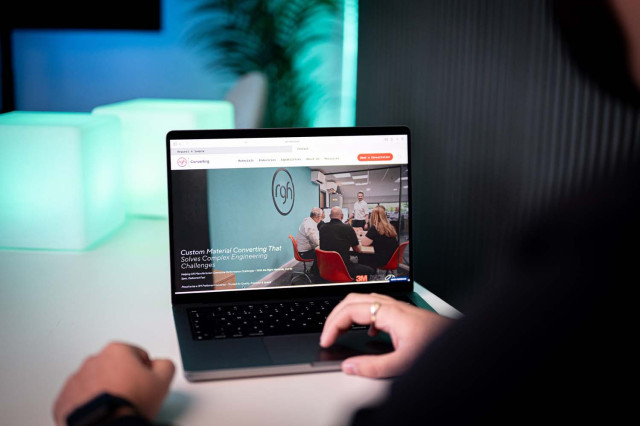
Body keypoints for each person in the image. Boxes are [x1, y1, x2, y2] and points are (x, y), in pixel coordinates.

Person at [52, 0, 640, 424]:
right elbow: (364, 256)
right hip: (357, 279)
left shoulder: (595, 240)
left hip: (333, 276)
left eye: (355, 205)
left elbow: (321, 251)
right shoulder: (357, 235)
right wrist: (458, 340)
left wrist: (107, 414)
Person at [319, 206, 375, 280]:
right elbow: (358, 249)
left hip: (326, 268)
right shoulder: (347, 228)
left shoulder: (322, 228)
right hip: (344, 268)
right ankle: (358, 281)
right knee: (370, 270)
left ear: (330, 216)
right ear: (342, 216)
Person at [358, 206, 400, 270]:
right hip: (392, 258)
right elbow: (375, 236)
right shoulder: (389, 226)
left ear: (373, 216)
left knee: (361, 255)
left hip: (382, 260)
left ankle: (368, 272)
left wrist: (357, 237)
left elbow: (364, 243)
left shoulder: (376, 228)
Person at [295, 207, 323, 276]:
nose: (321, 219)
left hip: (305, 250)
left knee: (320, 251)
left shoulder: (309, 221)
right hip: (304, 253)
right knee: (323, 254)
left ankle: (313, 270)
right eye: (321, 217)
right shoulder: (309, 225)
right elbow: (316, 242)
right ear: (317, 217)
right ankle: (316, 273)